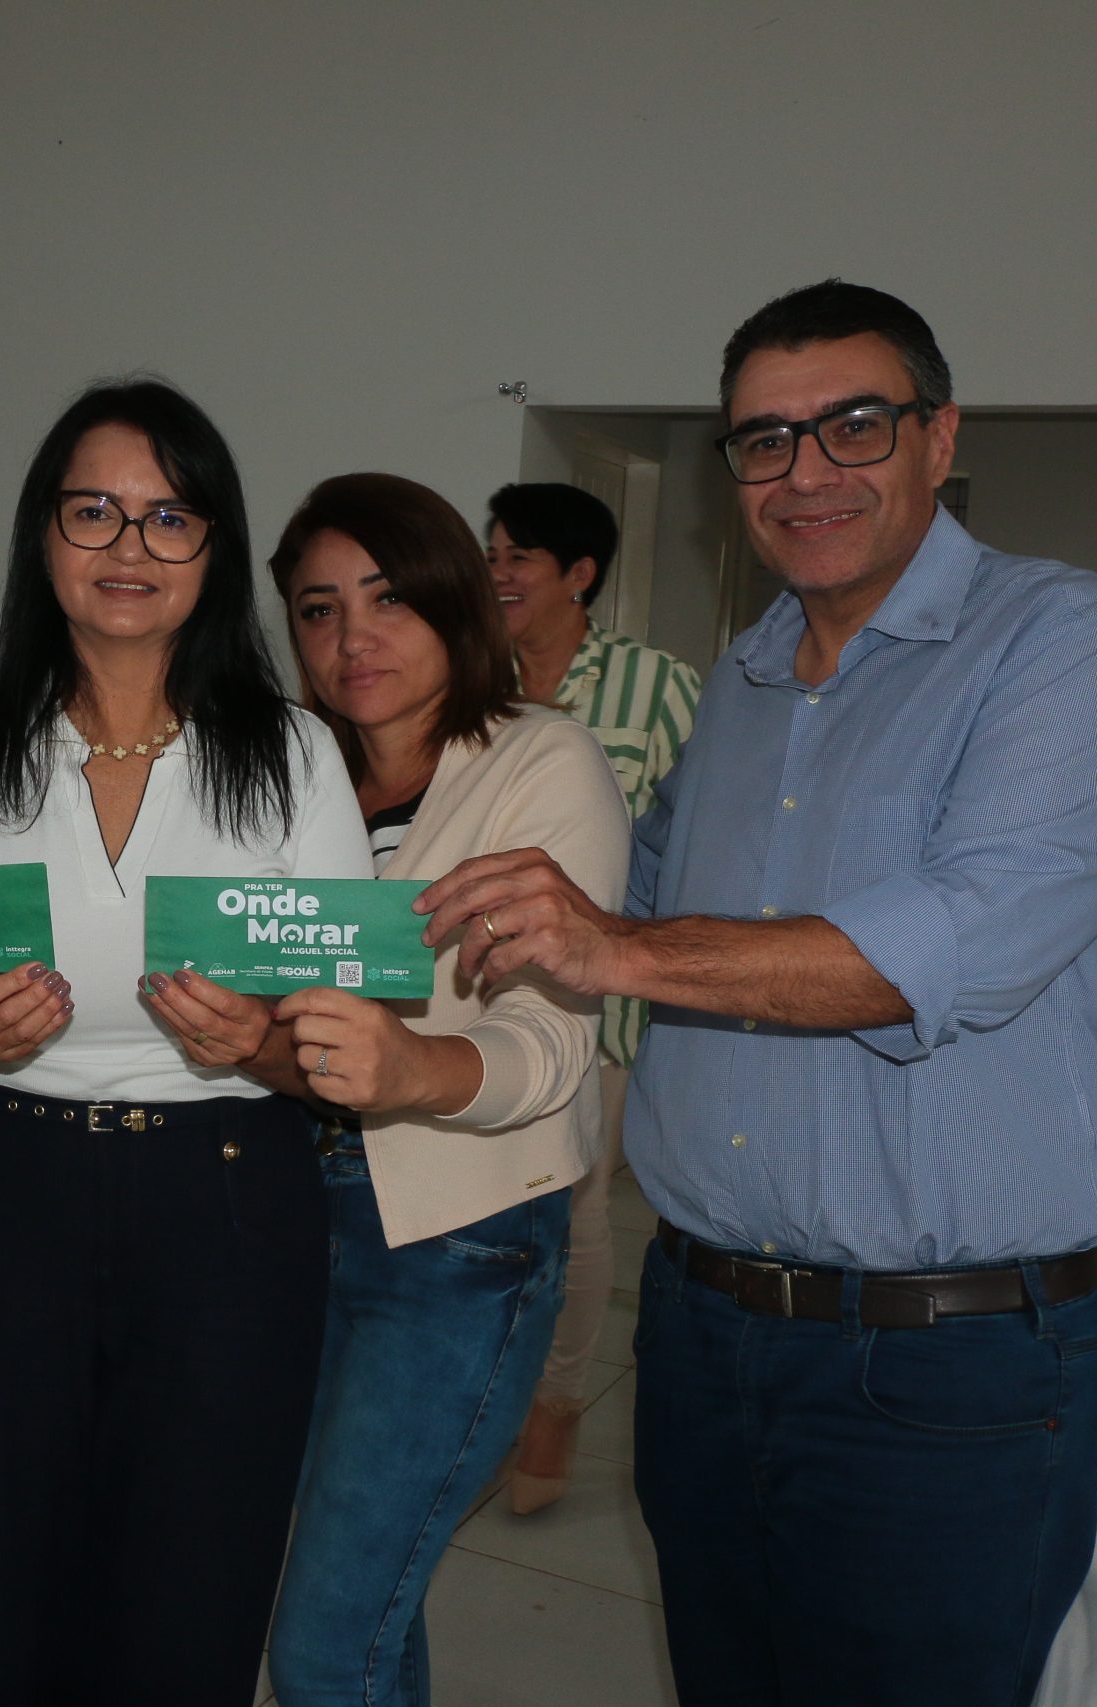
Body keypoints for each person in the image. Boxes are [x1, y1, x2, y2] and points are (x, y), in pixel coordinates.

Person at [421, 280, 1097, 1707]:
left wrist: (614, 948)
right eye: (764, 439)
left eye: (853, 425)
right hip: (704, 1333)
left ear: (939, 436)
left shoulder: (1063, 639)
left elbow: (956, 944)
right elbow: (627, 884)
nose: (805, 470)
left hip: (947, 1364)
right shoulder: (748, 680)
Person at [0, 378, 368, 1706]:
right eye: (93, 511)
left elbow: (344, 1056)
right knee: (18, 1592)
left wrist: (254, 1042)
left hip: (228, 1198)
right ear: (44, 535)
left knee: (197, 1594)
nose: (129, 546)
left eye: (168, 517)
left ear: (214, 548)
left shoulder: (295, 757)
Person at [259, 473, 627, 1707]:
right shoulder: (290, 776)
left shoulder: (538, 760)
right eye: (318, 610)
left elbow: (552, 1040)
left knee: (326, 1641)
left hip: (455, 1240)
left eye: (388, 600)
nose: (351, 639)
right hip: (277, 1217)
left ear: (454, 602)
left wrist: (414, 1067)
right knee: (362, 1598)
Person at [483, 480, 700, 1512]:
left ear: (578, 575)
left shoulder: (656, 686)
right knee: (485, 1207)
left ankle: (556, 1404)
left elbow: (691, 840)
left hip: (594, 1003)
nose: (497, 574)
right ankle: (486, 1396)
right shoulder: (465, 674)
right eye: (489, 554)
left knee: (572, 1206)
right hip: (469, 991)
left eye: (518, 557)